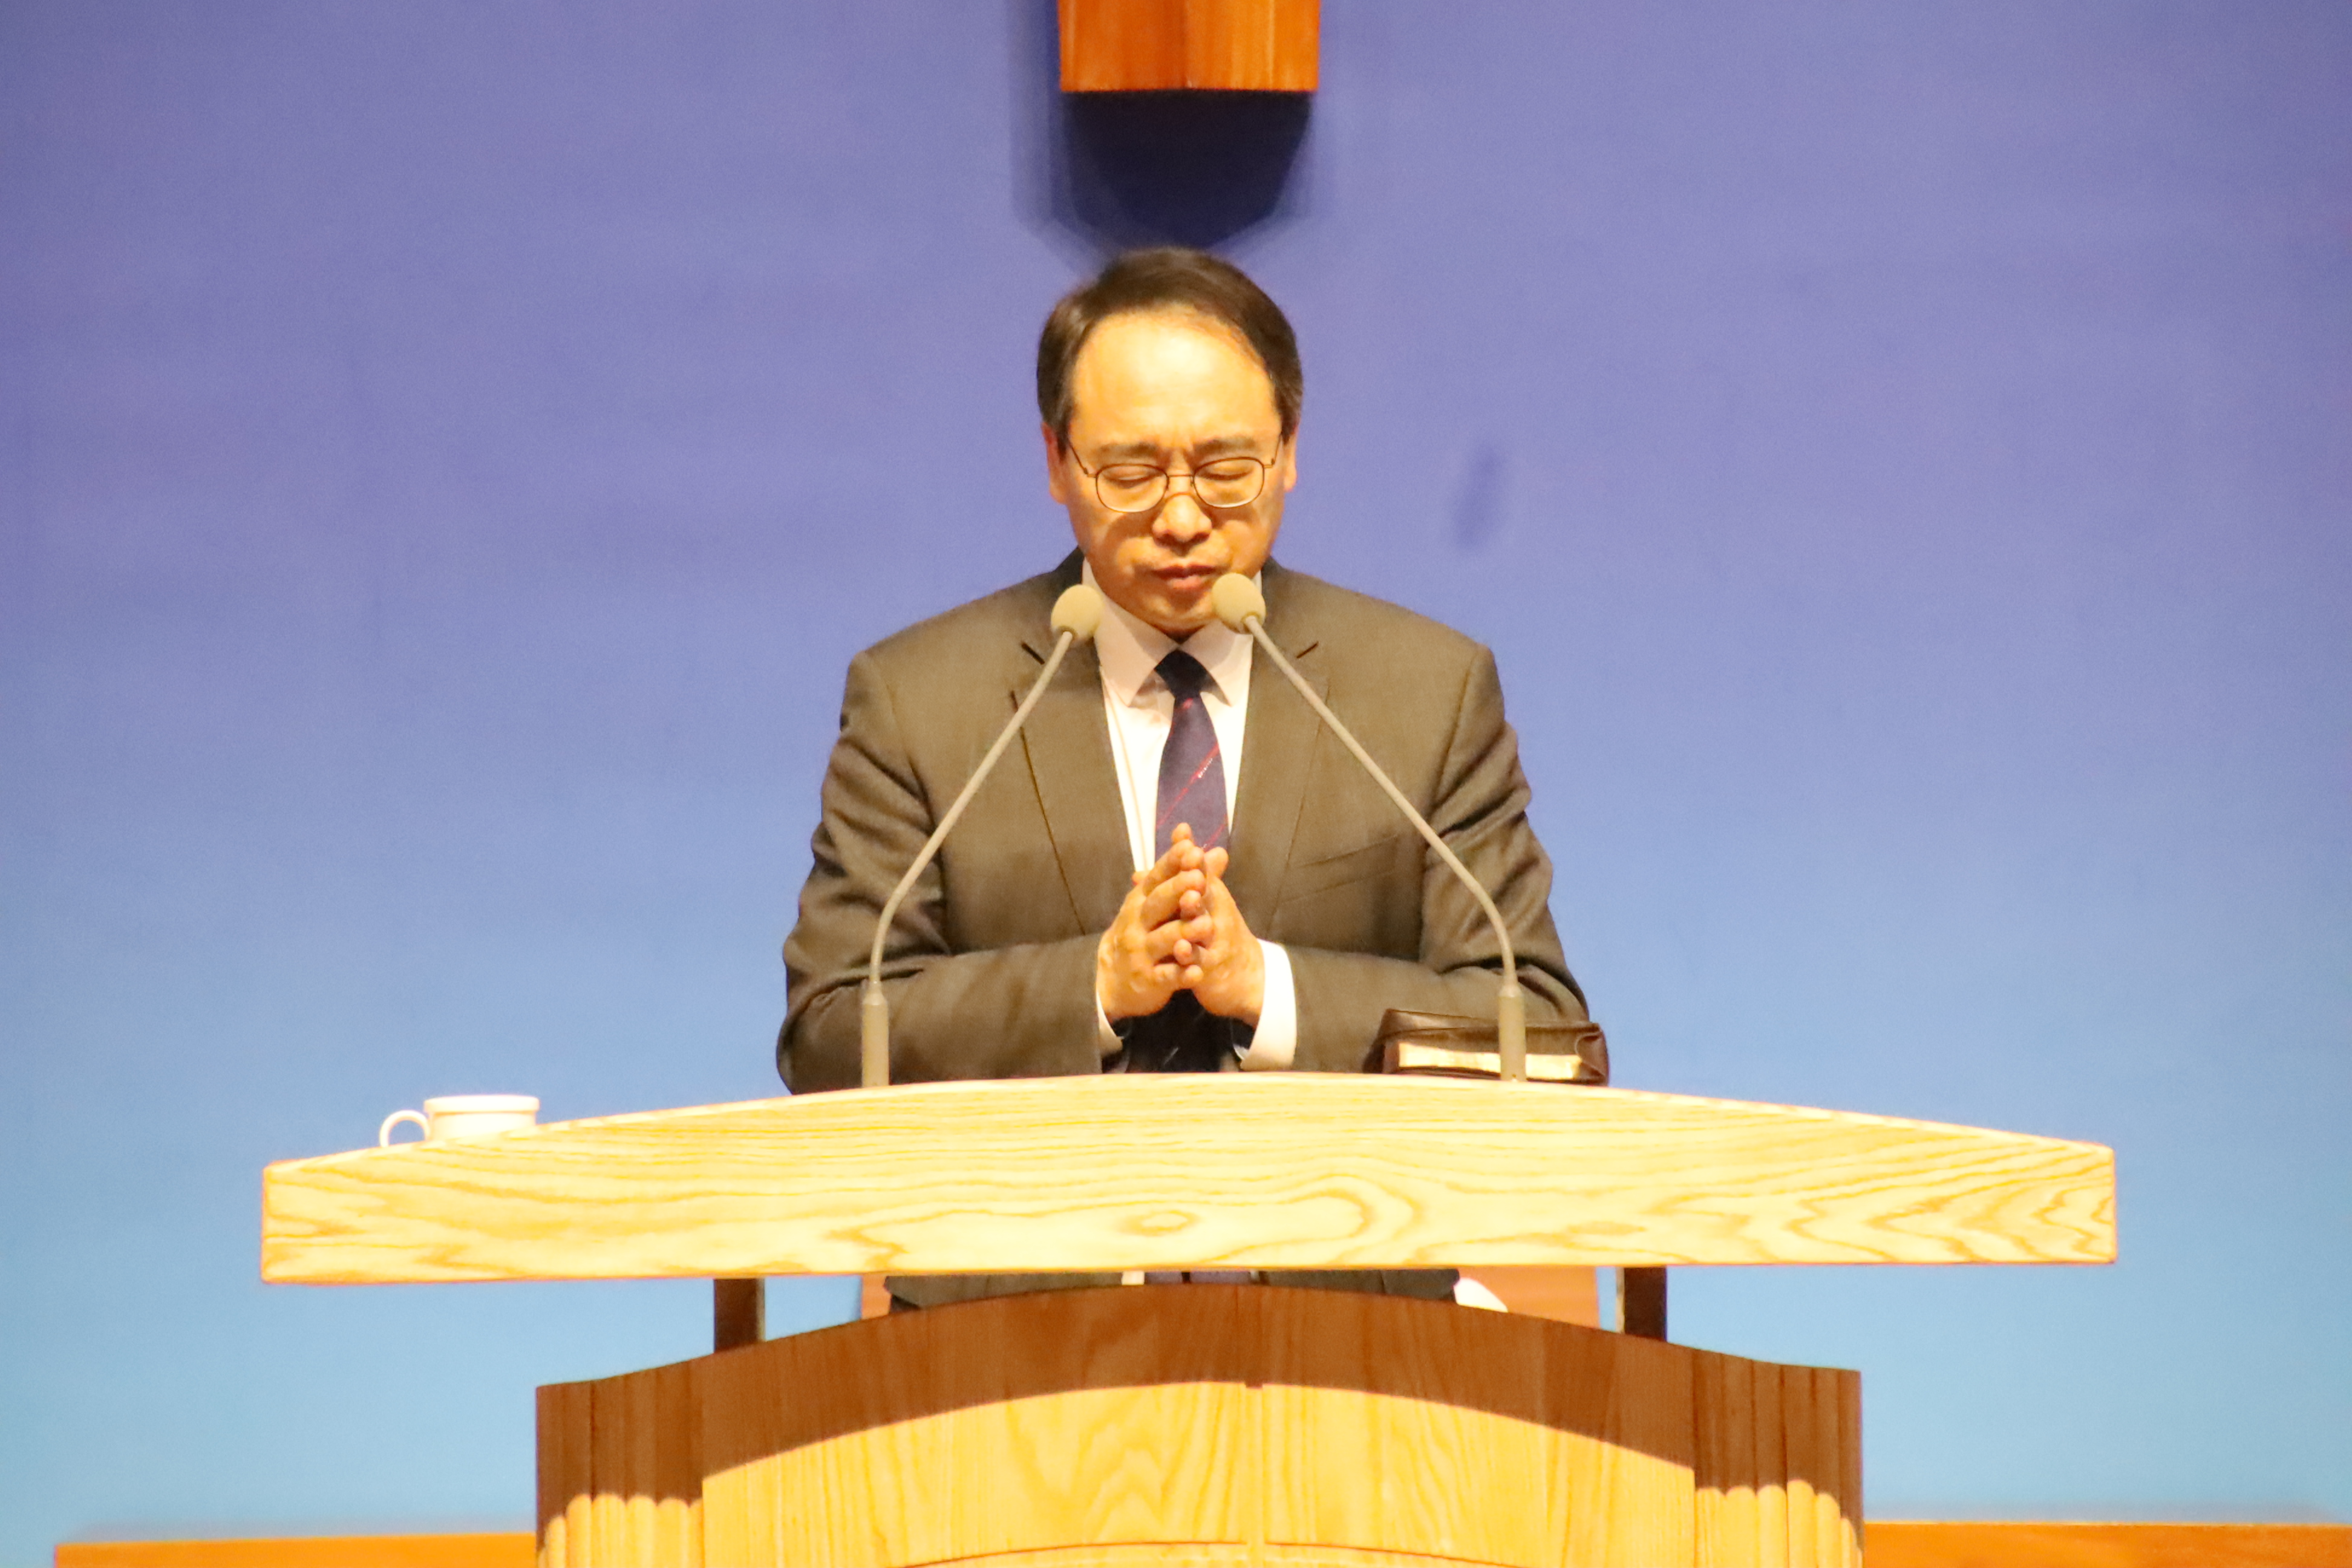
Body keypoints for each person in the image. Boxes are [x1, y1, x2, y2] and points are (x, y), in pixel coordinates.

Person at [778, 247, 1589, 1308]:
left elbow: (1536, 1032)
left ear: (1289, 451)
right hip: (1019, 1341)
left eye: (1225, 467)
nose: (1180, 516)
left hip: (1352, 1334)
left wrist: (1271, 989)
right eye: (1130, 471)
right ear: (1057, 460)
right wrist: (1094, 986)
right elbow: (833, 1031)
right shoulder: (924, 702)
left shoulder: (1424, 694)